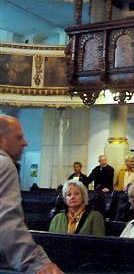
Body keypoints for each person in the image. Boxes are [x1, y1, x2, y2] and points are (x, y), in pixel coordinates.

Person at [0, 115, 63, 274]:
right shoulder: (5, 165)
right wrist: (38, 264)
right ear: (1, 140)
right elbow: (7, 221)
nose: (25, 143)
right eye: (19, 137)